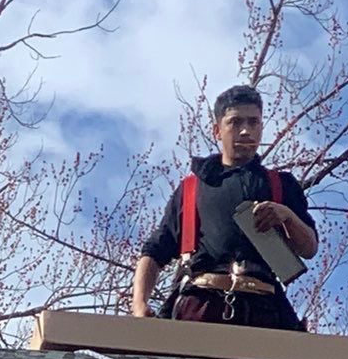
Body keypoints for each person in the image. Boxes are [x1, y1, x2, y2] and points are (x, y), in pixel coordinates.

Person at [133, 84, 317, 332]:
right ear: (217, 130)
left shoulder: (281, 185)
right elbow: (155, 250)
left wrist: (286, 216)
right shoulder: (192, 189)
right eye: (235, 122)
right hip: (200, 307)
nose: (245, 130)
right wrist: (139, 305)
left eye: (254, 122)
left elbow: (309, 248)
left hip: (266, 312)